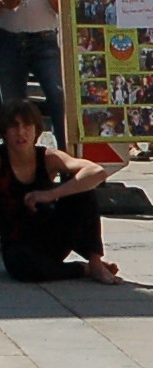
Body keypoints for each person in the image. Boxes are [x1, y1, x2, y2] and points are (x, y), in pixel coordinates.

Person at [1, 100, 121, 284]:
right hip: (18, 243)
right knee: (23, 267)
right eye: (14, 126)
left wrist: (50, 194)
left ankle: (95, 262)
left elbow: (96, 171)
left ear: (36, 130)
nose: (21, 132)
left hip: (51, 235)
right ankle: (83, 269)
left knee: (81, 187)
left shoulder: (48, 157)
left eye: (27, 125)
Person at [0, 0, 74, 145]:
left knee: (59, 97)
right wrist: (2, 1)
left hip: (44, 41)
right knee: (12, 105)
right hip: (9, 39)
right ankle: (14, 161)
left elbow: (69, 8)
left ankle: (65, 156)